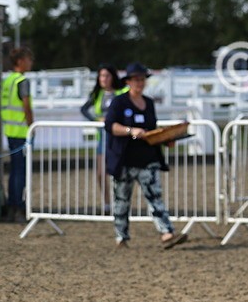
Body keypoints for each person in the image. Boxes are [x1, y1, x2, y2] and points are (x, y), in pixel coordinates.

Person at [104, 62, 186, 248]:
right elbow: (110, 126)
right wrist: (130, 131)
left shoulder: (148, 103)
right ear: (129, 82)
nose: (139, 83)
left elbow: (151, 130)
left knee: (154, 196)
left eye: (142, 79)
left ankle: (167, 232)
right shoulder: (119, 102)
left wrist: (166, 139)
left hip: (147, 158)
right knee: (121, 201)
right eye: (136, 79)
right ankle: (121, 236)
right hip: (124, 160)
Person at [80, 63, 127, 213]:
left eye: (106, 75)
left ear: (112, 77)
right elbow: (84, 109)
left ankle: (120, 201)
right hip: (104, 137)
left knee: (120, 172)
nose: (103, 79)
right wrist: (96, 120)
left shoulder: (122, 92)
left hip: (119, 137)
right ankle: (107, 201)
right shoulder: (97, 94)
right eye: (101, 76)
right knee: (101, 172)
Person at [1, 46, 34, 223]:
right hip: (22, 131)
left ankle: (13, 206)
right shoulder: (22, 81)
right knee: (20, 171)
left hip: (10, 131)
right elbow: (26, 107)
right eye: (29, 59)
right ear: (20, 61)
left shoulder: (8, 81)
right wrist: (32, 126)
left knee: (15, 170)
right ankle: (18, 206)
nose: (31, 63)